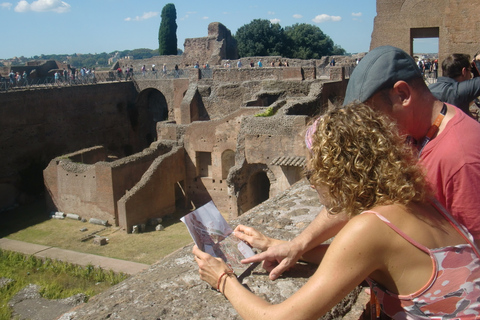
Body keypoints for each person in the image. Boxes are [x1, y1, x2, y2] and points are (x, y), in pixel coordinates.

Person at [194, 103, 480, 319]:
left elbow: (280, 318)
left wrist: (223, 279)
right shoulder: (418, 201)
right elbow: (354, 259)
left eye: (312, 172)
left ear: (335, 171)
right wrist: (282, 246)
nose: (312, 183)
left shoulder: (372, 227)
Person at [238, 45, 480, 281]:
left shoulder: (460, 158)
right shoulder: (410, 135)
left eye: (371, 114)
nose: (366, 127)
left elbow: (472, 263)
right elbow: (358, 197)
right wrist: (297, 245)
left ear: (403, 95)